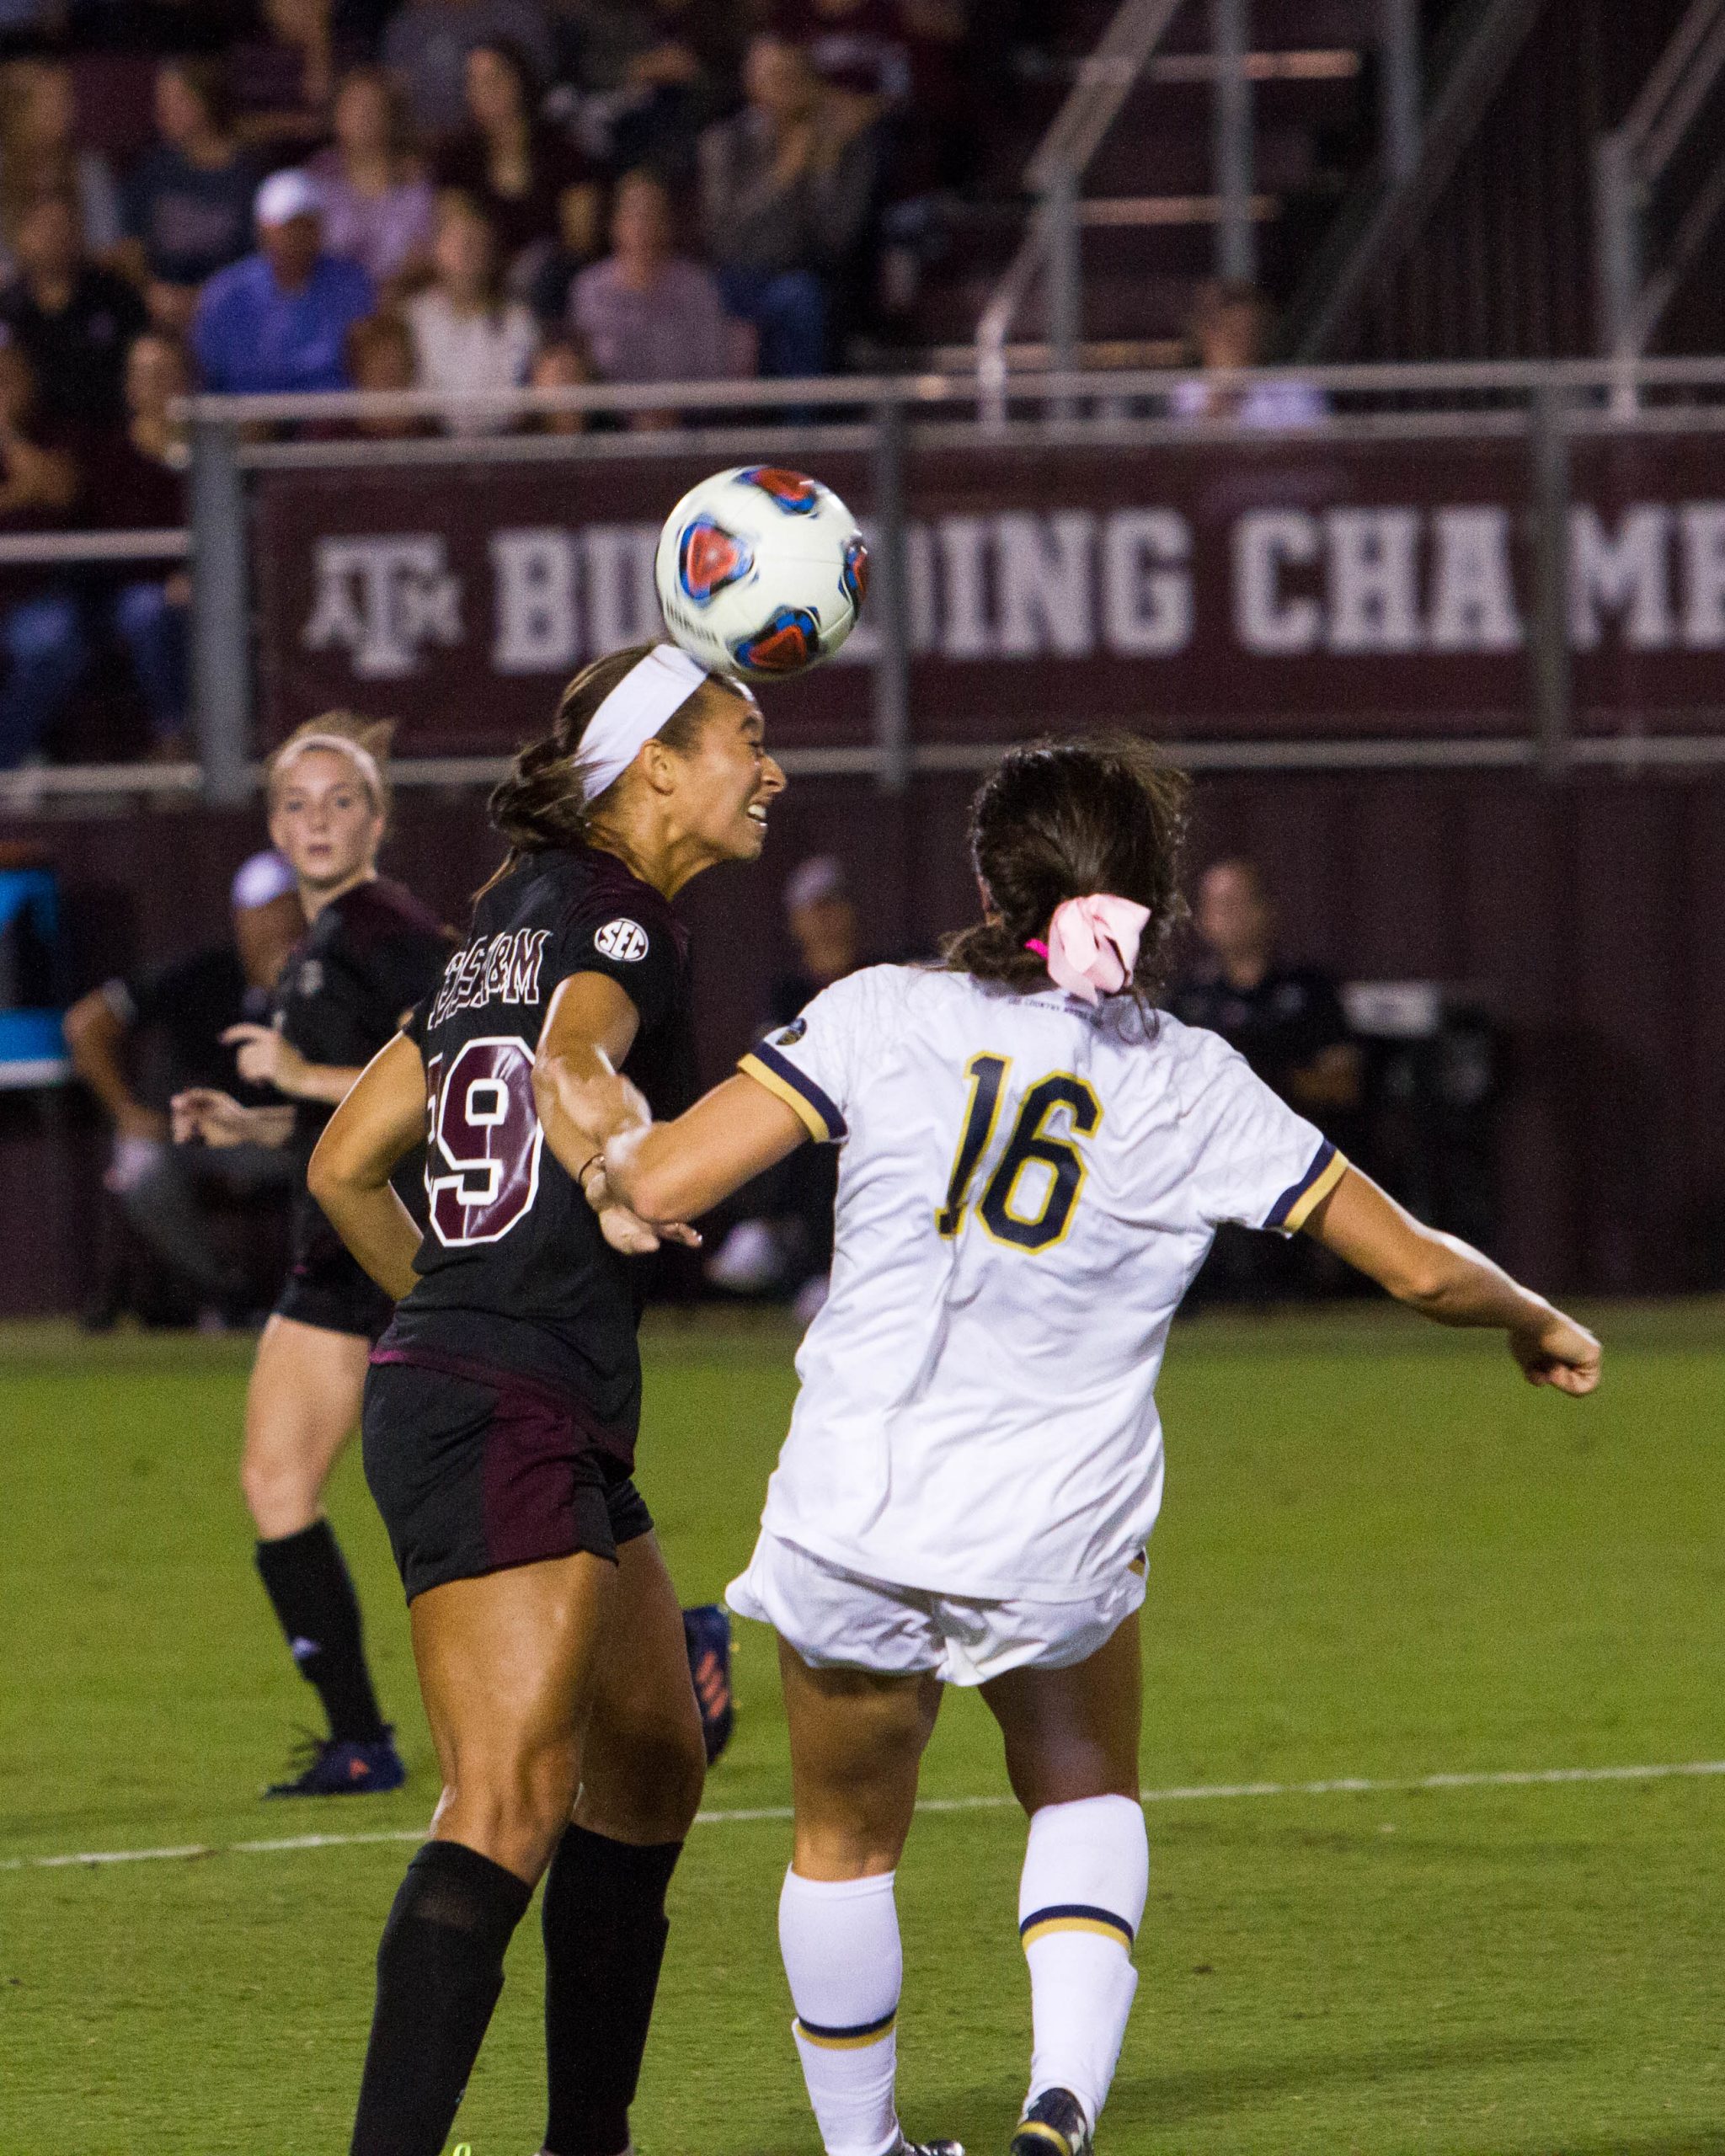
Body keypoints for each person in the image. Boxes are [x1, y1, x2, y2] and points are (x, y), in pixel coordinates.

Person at [574, 734, 1604, 2156]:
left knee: (841, 1849)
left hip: (849, 1511)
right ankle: (1057, 2103)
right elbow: (1420, 1269)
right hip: (1048, 1530)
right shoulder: (1187, 1080)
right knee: (1081, 1793)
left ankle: (865, 2153)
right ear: (1153, 898)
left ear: (993, 883)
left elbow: (668, 1179)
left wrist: (597, 1137)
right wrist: (1528, 1315)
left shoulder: (878, 1013)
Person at [304, 642, 782, 2156]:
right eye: (743, 740)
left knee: (649, 1765)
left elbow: (342, 1161)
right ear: (654, 767)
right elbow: (580, 1052)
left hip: (505, 1386)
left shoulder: (496, 921)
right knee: (504, 1802)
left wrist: (453, 1311)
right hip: (498, 1400)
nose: (769, 771)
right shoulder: (625, 926)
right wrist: (603, 1165)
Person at [171, 714, 448, 1797]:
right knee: (280, 1480)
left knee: (469, 1496)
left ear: (377, 821)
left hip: (403, 1248)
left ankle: (677, 1646)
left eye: (341, 801)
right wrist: (253, 1124)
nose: (317, 820)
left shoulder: (388, 931)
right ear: (274, 826)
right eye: (297, 802)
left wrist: (291, 1074)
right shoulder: (323, 944)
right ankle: (359, 1738)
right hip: (344, 1251)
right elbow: (351, 1112)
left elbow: (447, 1078)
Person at [65, 850, 304, 1326]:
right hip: (205, 1136)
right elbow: (86, 1023)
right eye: (262, 914)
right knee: (138, 1160)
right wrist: (127, 1110)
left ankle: (333, 1298)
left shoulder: (327, 982)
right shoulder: (204, 975)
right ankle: (225, 1294)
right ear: (241, 921)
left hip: (294, 1138)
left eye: (285, 910)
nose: (275, 926)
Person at [707, 854, 862, 1307]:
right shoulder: (786, 993)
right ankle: (765, 1231)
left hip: (860, 1118)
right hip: (801, 1123)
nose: (826, 919)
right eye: (815, 908)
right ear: (796, 920)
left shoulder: (872, 980)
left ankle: (828, 1270)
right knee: (774, 1103)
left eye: (833, 906)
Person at [698, 34, 879, 378]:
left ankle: (803, 427)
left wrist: (825, 168)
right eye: (775, 77)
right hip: (741, 278)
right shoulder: (724, 144)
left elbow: (839, 238)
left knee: (804, 295)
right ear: (753, 83)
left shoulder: (846, 146)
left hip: (816, 278)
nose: (786, 88)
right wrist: (784, 174)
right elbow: (726, 237)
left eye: (795, 76)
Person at [84, 329, 194, 758]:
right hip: (132, 591)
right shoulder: (111, 454)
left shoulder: (208, 453)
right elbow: (107, 545)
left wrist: (194, 576)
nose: (157, 387)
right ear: (129, 387)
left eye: (167, 375)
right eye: (145, 376)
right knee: (147, 612)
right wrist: (166, 581)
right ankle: (172, 737)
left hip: (202, 585)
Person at [569, 168, 738, 419]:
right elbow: (589, 371)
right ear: (616, 224)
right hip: (613, 425)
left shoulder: (696, 288)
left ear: (666, 225)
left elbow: (712, 369)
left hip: (688, 424)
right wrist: (634, 413)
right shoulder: (589, 290)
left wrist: (670, 411)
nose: (642, 225)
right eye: (633, 214)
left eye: (651, 214)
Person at [435, 38, 600, 296]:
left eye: (494, 77)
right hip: (485, 282)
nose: (485, 89)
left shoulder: (564, 153)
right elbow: (459, 230)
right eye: (474, 81)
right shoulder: (457, 159)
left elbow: (580, 241)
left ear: (520, 79)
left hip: (553, 285)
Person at [191, 168, 376, 397]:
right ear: (263, 229)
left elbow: (365, 367)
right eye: (288, 226)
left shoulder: (351, 286)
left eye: (307, 225)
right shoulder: (225, 294)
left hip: (330, 423)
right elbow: (210, 374)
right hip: (243, 422)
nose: (298, 236)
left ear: (320, 228)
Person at [121, 58, 259, 336]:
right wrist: (151, 291)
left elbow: (258, 263)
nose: (163, 112)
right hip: (161, 313)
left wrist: (203, 299)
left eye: (176, 100)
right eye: (161, 100)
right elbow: (130, 249)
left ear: (205, 101)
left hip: (233, 313)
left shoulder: (247, 175)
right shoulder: (153, 170)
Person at [0, 186, 147, 431]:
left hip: (111, 431)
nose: (55, 238)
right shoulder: (8, 307)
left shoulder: (115, 295)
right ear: (23, 238)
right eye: (43, 229)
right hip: (34, 434)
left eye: (63, 228)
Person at [0, 337, 80, 771]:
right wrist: (20, 494)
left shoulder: (53, 431)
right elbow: (33, 489)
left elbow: (57, 489)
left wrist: (7, 433)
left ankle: (7, 762)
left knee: (50, 646)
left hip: (36, 593)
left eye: (8, 378)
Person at [403, 189, 538, 433]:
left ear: (491, 251)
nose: (466, 251)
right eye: (457, 240)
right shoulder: (414, 317)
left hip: (500, 450)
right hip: (429, 448)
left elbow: (515, 402)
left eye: (475, 241)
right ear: (436, 249)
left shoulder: (517, 321)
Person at [306, 66, 437, 296]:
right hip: (329, 300)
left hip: (399, 303)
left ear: (391, 117)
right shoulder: (318, 176)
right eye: (353, 106)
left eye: (372, 107)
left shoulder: (415, 182)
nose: (363, 116)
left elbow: (425, 256)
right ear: (336, 115)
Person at [0, 57, 126, 278]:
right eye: (50, 100)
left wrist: (62, 254)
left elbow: (107, 253)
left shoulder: (89, 170)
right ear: (18, 109)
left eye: (66, 98)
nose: (66, 111)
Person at [381, 0, 558, 147]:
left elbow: (541, 91)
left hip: (521, 145)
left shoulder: (519, 14)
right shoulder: (410, 26)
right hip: (430, 154)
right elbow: (395, 105)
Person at [1168, 280, 1328, 428]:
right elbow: (1194, 452)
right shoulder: (1186, 391)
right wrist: (1225, 390)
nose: (1243, 342)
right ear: (1206, 336)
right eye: (1231, 332)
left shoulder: (1294, 385)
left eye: (1250, 331)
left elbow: (1309, 447)